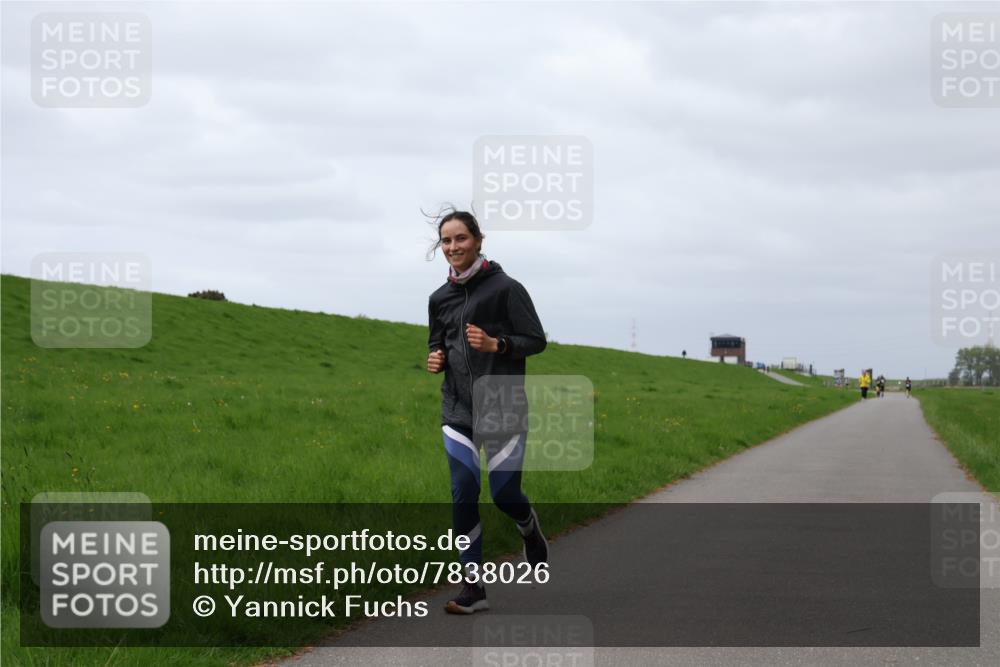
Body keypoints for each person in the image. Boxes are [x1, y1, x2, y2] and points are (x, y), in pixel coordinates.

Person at [425, 209, 549, 614]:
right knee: (463, 492)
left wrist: (498, 345)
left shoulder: (506, 288)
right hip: (458, 409)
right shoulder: (439, 299)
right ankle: (473, 587)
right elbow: (436, 342)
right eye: (446, 241)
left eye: (460, 239)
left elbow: (535, 339)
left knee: (504, 494)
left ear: (478, 240)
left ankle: (529, 529)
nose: (453, 247)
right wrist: (436, 358)